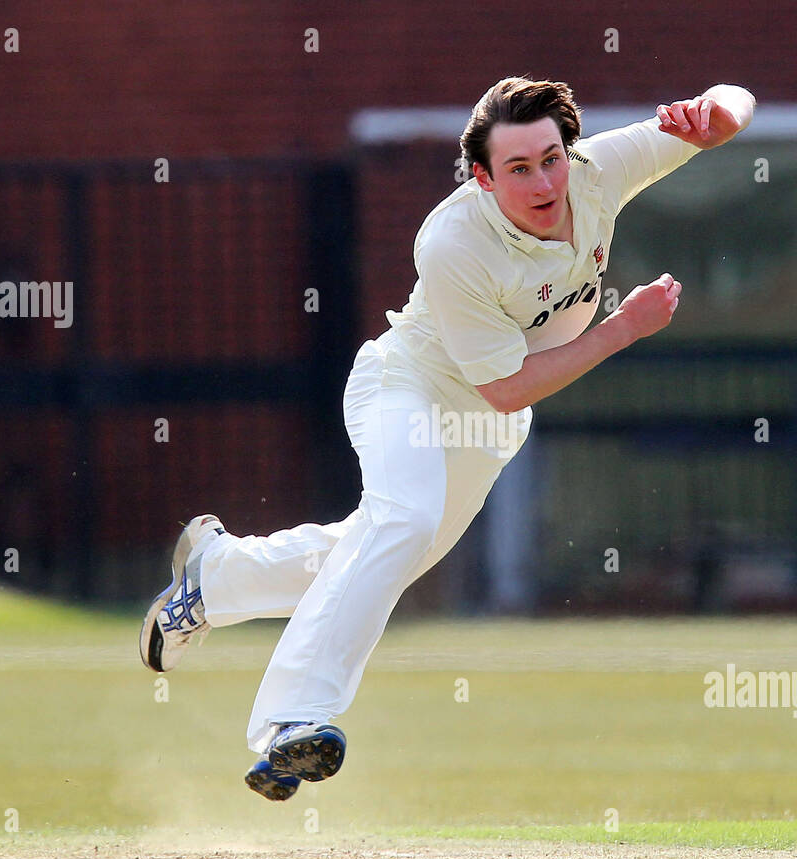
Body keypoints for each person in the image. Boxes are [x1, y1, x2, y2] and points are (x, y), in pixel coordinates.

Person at [139, 76, 756, 801]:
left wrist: (714, 110)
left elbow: (732, 106)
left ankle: (215, 578)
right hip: (409, 388)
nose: (542, 181)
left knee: (376, 551)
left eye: (550, 159)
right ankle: (290, 723)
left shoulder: (597, 172)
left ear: (570, 152)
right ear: (483, 177)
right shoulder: (453, 239)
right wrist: (624, 328)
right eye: (518, 169)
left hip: (487, 427)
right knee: (402, 522)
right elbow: (510, 384)